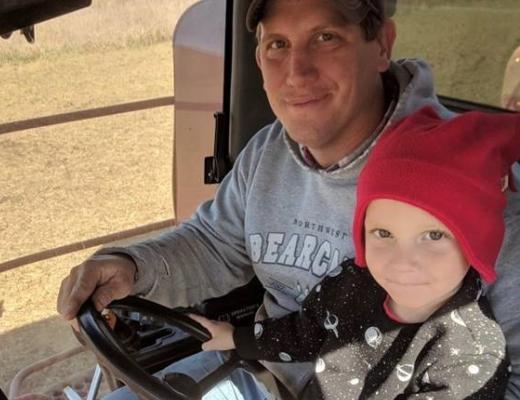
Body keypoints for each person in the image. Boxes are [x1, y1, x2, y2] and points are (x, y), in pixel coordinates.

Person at [56, 0, 520, 399]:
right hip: (263, 364)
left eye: (325, 37)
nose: (297, 72)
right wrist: (133, 265)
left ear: (382, 45)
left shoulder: (472, 181)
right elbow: (215, 244)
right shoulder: (268, 151)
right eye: (277, 44)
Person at [190, 106, 517, 399]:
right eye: (383, 233)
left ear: (477, 243)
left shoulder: (472, 355)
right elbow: (305, 333)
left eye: (434, 235)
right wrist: (239, 338)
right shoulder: (353, 284)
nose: (402, 261)